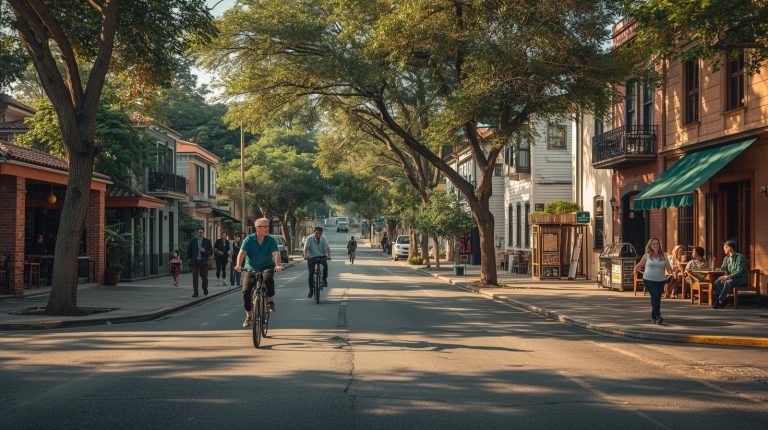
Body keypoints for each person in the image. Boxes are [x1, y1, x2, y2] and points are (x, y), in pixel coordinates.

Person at [235, 218, 282, 327]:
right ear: (257, 228)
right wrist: (238, 265)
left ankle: (270, 301)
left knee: (267, 279)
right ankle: (249, 316)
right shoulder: (249, 239)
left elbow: (276, 253)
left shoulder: (270, 240)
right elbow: (242, 253)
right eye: (264, 226)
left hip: (267, 266)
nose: (267, 228)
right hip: (250, 268)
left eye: (267, 226)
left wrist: (278, 265)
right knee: (246, 292)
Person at [633, 238, 673, 324]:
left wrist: (671, 273)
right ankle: (658, 316)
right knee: (655, 295)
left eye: (657, 244)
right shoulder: (647, 255)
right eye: (654, 244)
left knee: (657, 298)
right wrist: (635, 271)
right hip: (648, 279)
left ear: (659, 245)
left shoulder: (664, 256)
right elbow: (638, 266)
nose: (656, 245)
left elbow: (669, 268)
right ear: (650, 245)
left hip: (661, 280)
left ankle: (653, 317)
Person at [712, 240, 748, 309]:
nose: (723, 249)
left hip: (741, 278)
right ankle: (725, 299)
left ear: (730, 248)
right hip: (731, 278)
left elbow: (739, 271)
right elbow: (723, 268)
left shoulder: (740, 257)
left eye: (725, 247)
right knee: (717, 282)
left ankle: (720, 301)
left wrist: (728, 277)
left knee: (728, 282)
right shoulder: (726, 258)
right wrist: (715, 264)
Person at [303, 226, 331, 298]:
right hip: (311, 258)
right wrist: (305, 255)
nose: (318, 235)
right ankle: (311, 290)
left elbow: (327, 247)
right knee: (311, 274)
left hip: (322, 257)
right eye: (317, 233)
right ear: (314, 232)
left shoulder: (323, 239)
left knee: (325, 267)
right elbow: (306, 248)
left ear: (322, 233)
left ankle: (324, 279)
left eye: (320, 233)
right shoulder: (309, 238)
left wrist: (329, 255)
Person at [186, 226, 212, 297]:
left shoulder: (207, 241)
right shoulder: (193, 241)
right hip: (195, 262)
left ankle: (205, 288)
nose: (200, 233)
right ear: (197, 232)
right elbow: (188, 251)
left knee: (204, 277)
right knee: (195, 277)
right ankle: (195, 292)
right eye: (199, 232)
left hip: (203, 262)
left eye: (201, 232)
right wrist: (189, 259)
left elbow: (211, 252)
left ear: (203, 232)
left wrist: (205, 251)